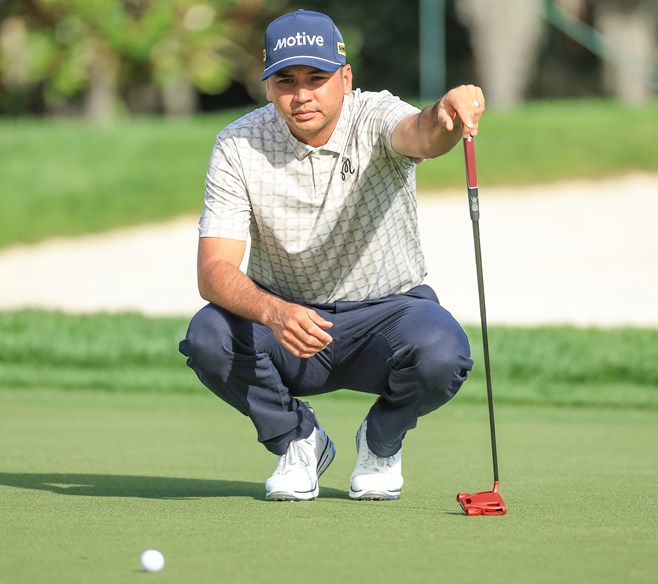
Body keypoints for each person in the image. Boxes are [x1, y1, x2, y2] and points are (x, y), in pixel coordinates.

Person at [179, 9, 485, 502]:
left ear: (345, 78)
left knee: (442, 351)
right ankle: (298, 440)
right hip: (288, 321)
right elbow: (213, 270)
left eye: (316, 78)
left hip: (387, 318)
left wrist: (446, 113)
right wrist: (273, 311)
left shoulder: (373, 115)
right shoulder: (237, 144)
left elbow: (422, 133)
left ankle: (380, 442)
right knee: (208, 336)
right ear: (267, 86)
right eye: (286, 80)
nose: (301, 95)